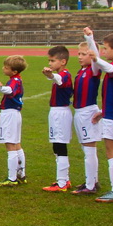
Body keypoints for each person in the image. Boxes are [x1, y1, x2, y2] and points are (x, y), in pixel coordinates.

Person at [84, 28, 113, 202]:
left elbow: (108, 67)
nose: (103, 52)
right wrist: (90, 39)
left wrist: (96, 58)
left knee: (112, 151)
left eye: (105, 49)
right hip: (112, 113)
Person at [41, 45, 74, 192]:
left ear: (63, 61)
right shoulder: (62, 74)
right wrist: (52, 76)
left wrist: (51, 75)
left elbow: (59, 79)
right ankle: (63, 179)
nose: (50, 64)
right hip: (56, 112)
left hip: (60, 113)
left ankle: (62, 183)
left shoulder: (65, 74)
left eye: (53, 61)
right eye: (49, 61)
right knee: (57, 145)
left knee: (60, 146)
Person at [71, 41, 102, 195]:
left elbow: (96, 55)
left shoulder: (94, 70)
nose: (80, 57)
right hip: (79, 112)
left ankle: (90, 185)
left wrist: (90, 38)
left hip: (87, 112)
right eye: (79, 54)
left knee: (89, 149)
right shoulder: (81, 71)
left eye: (84, 54)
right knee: (86, 148)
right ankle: (92, 180)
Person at [0, 55, 27, 186]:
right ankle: (21, 173)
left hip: (10, 115)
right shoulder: (17, 80)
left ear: (13, 71)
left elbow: (9, 91)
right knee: (17, 143)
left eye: (6, 67)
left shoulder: (14, 81)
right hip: (14, 113)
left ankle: (12, 178)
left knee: (9, 144)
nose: (3, 68)